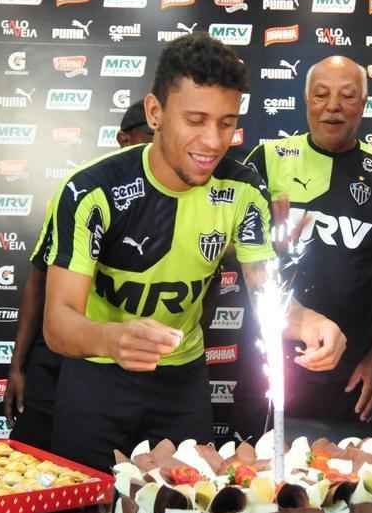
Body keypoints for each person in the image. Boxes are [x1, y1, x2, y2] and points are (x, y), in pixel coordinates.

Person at [40, 33, 346, 470]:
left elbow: (266, 292)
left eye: (226, 122)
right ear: (155, 112)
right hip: (97, 378)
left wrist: (306, 321)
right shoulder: (92, 190)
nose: (213, 141)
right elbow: (58, 323)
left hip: (181, 384)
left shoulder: (243, 189)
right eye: (196, 120)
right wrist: (112, 338)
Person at [245, 56, 372, 423]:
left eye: (347, 96)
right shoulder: (267, 159)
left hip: (352, 368)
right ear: (306, 101)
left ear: (363, 104)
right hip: (271, 355)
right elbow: (234, 254)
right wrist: (273, 243)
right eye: (321, 95)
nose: (333, 106)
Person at [5, 102, 154, 450]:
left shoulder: (177, 204)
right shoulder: (87, 191)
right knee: (37, 460)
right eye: (147, 138)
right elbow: (38, 281)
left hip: (128, 361)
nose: (154, 149)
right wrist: (18, 366)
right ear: (123, 138)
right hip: (59, 355)